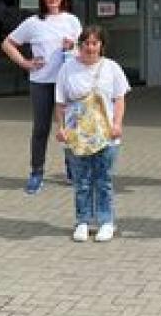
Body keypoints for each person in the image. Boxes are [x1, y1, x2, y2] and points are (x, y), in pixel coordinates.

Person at [2, 0, 82, 194]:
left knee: (70, 127)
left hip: (66, 82)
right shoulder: (33, 22)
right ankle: (36, 172)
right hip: (41, 82)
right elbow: (7, 44)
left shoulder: (72, 21)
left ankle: (72, 169)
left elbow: (81, 50)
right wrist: (25, 63)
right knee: (41, 128)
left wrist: (73, 46)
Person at [54, 26, 130, 242]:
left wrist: (117, 124)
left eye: (95, 43)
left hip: (106, 134)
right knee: (82, 181)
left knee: (103, 180)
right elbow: (60, 102)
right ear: (80, 45)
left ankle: (106, 222)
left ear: (101, 46)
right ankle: (83, 222)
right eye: (86, 43)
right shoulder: (67, 69)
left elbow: (119, 99)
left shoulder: (112, 68)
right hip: (77, 134)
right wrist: (61, 128)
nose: (90, 47)